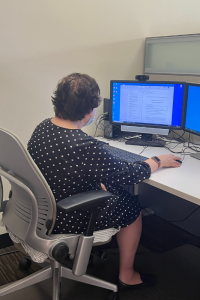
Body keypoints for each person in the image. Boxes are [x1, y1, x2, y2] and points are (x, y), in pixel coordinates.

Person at [28, 73, 182, 290]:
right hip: (64, 215)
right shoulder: (84, 145)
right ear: (89, 109)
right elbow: (130, 175)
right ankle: (126, 275)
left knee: (110, 186)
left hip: (41, 208)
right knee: (131, 206)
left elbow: (57, 167)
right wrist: (158, 160)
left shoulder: (44, 127)